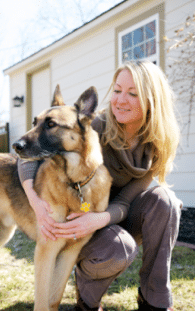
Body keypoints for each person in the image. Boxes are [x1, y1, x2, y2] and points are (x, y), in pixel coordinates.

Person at [17, 60, 182, 311]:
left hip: (111, 216)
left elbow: (126, 201)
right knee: (119, 248)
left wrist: (98, 219)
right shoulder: (94, 126)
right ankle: (87, 298)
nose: (119, 100)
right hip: (91, 224)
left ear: (151, 100)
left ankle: (154, 299)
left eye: (132, 93)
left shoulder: (156, 144)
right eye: (116, 91)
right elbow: (29, 157)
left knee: (165, 200)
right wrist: (35, 199)